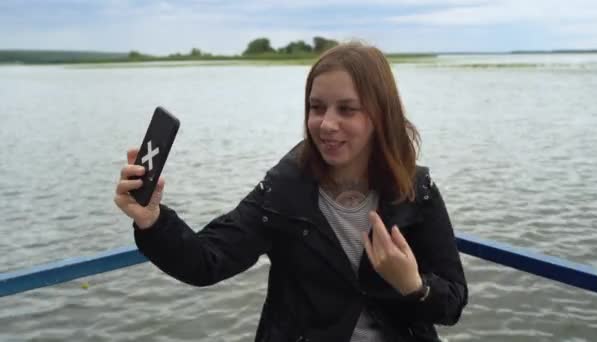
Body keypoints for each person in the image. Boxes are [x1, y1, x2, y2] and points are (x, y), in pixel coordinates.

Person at [114, 42, 468, 342]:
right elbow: (207, 261)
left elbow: (452, 303)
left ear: (381, 116)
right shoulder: (284, 190)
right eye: (316, 107)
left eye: (347, 109)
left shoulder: (415, 191)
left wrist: (413, 285)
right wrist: (154, 222)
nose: (327, 124)